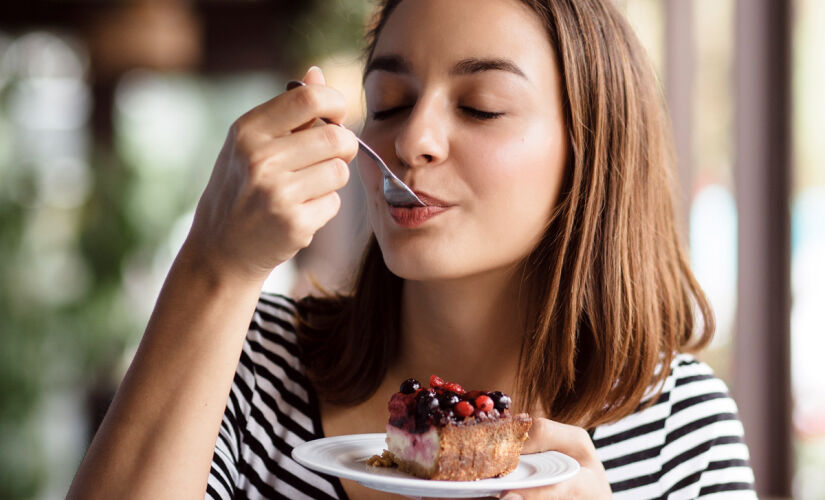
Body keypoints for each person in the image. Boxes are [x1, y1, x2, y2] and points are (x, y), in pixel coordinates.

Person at [68, 0, 758, 498]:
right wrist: (215, 265)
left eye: (481, 105)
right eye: (389, 101)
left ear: (588, 152)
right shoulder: (252, 365)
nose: (411, 140)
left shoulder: (679, 425)